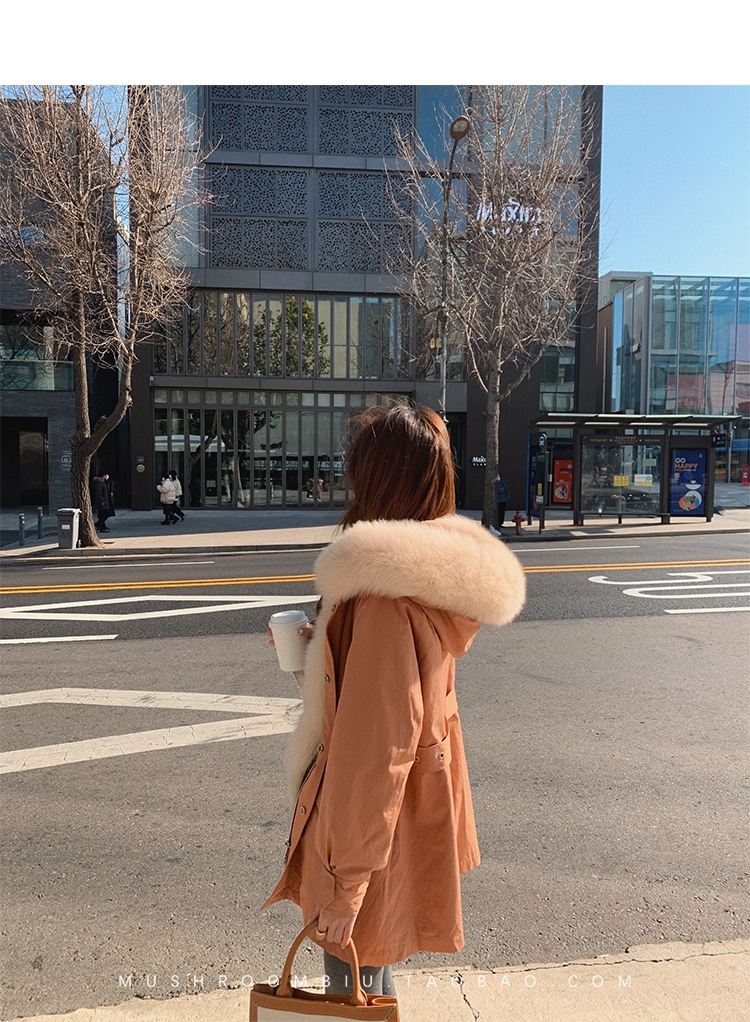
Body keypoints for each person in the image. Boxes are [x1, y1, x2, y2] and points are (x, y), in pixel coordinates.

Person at [262, 404, 526, 998]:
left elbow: (375, 752)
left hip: (368, 833)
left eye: (357, 469)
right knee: (373, 980)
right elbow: (395, 703)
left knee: (353, 985)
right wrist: (323, 650)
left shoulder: (383, 600)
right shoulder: (427, 579)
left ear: (377, 480)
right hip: (398, 823)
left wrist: (343, 884)